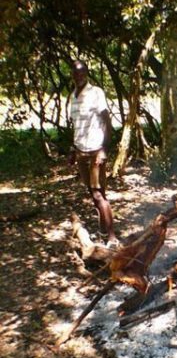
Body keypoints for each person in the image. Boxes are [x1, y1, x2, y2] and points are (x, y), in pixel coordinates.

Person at [68, 60, 118, 246]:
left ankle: (112, 237)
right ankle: (104, 229)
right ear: (72, 75)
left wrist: (104, 149)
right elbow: (76, 127)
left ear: (86, 73)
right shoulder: (72, 96)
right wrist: (73, 150)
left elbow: (107, 122)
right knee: (92, 192)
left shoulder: (96, 93)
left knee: (98, 194)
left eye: (82, 72)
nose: (79, 76)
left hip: (96, 150)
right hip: (81, 152)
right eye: (75, 73)